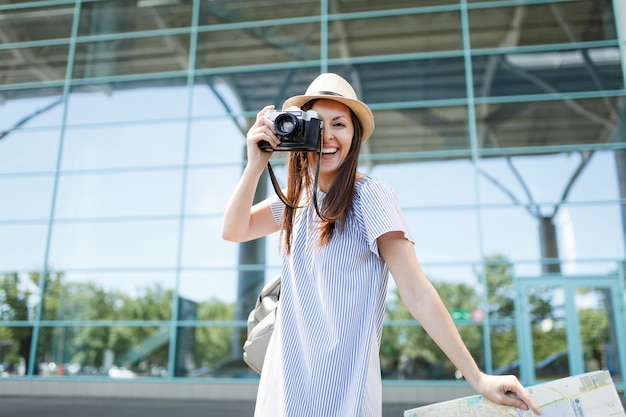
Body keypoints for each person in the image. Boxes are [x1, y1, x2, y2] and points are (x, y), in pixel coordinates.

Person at [222, 73, 540, 417]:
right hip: (283, 384)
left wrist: (477, 377)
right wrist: (255, 165)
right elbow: (234, 230)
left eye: (340, 124)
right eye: (317, 123)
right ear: (300, 133)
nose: (328, 135)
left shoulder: (370, 196)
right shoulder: (294, 200)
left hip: (341, 388)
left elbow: (416, 290)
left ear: (355, 136)